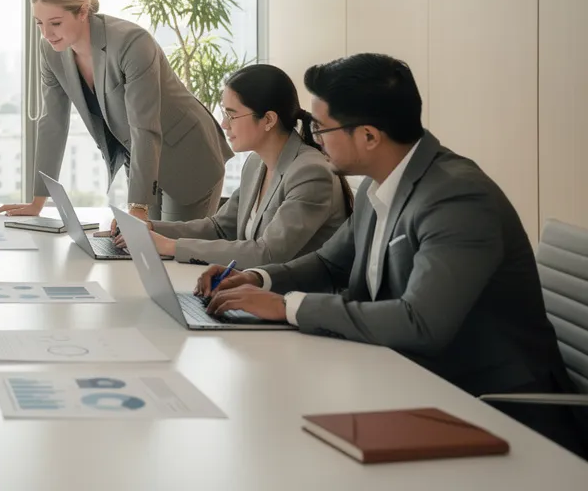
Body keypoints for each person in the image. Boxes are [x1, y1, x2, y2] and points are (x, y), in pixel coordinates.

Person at [197, 53, 585, 457]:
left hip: (496, 411)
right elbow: (330, 262)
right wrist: (260, 278)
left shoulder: (457, 198)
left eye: (321, 127)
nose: (313, 138)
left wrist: (287, 307)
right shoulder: (377, 185)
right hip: (412, 381)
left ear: (368, 136)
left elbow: (420, 323)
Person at [0, 0, 233, 226]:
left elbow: (144, 126)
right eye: (39, 23)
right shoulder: (51, 52)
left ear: (82, 12)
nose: (46, 34)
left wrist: (137, 208)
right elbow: (52, 123)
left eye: (56, 23)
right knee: (146, 249)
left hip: (187, 154)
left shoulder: (132, 43)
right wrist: (38, 201)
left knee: (173, 251)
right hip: (141, 159)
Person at [116, 64, 351, 267]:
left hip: (295, 303)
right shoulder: (256, 162)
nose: (224, 124)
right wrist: (147, 228)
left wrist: (171, 246)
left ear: (268, 119)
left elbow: (268, 254)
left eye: (232, 115)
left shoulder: (310, 173)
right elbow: (219, 228)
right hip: (255, 291)